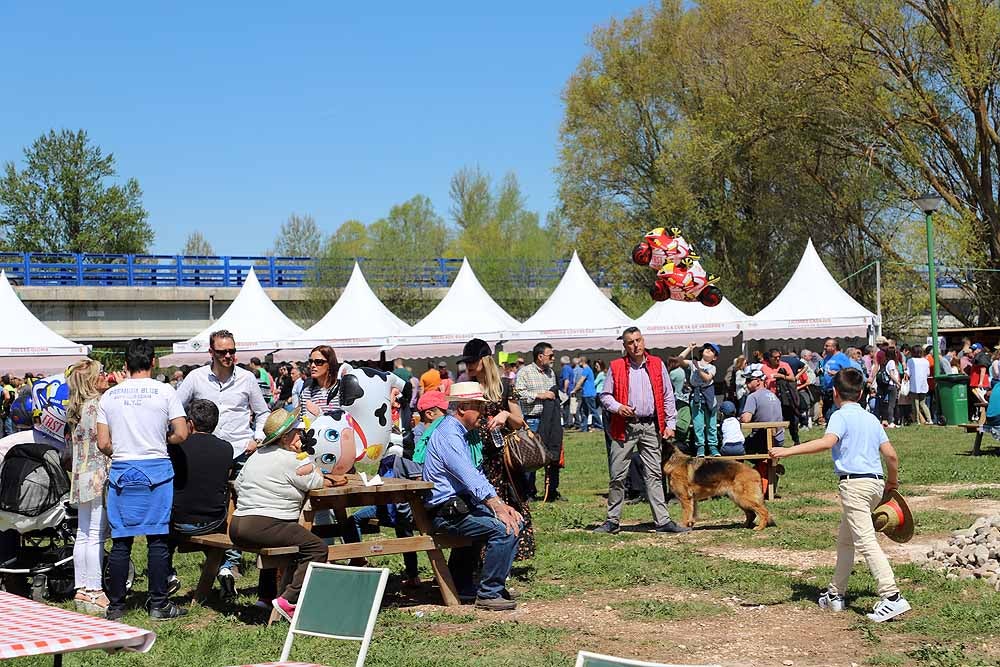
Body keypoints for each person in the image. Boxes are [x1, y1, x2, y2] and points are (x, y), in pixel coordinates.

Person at [771, 368, 911, 622]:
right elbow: (891, 455)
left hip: (854, 486)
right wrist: (892, 483)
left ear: (835, 393)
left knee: (866, 541)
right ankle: (835, 595)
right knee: (846, 541)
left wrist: (787, 451)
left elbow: (827, 443)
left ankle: (892, 597)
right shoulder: (870, 418)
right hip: (875, 485)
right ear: (860, 393)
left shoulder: (839, 416)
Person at [97, 338, 190, 620]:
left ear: (125, 365)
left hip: (123, 470)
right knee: (157, 538)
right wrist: (162, 439)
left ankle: (115, 606)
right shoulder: (165, 392)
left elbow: (103, 443)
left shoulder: (109, 396)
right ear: (153, 362)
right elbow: (182, 433)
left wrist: (125, 447)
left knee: (122, 541)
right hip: (157, 470)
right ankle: (159, 604)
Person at [175, 329, 269, 598]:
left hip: (241, 450)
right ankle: (221, 557)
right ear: (211, 353)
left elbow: (262, 412)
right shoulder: (196, 378)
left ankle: (230, 562)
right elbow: (176, 408)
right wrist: (186, 435)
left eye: (232, 351)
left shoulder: (247, 378)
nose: (229, 356)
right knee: (210, 504)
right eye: (223, 352)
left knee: (241, 506)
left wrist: (257, 437)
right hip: (205, 453)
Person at [421, 382, 524, 611]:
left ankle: (463, 583)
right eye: (478, 406)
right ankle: (489, 592)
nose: (484, 412)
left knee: (515, 520)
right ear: (461, 409)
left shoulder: (459, 432)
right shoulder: (449, 434)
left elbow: (476, 476)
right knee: (504, 530)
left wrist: (500, 505)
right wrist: (497, 508)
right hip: (446, 512)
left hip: (459, 507)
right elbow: (470, 476)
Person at [229, 408, 337, 622]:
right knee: (317, 548)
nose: (301, 435)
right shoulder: (291, 459)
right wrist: (307, 459)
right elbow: (315, 482)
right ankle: (289, 599)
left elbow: (239, 485)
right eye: (297, 431)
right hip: (265, 524)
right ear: (286, 437)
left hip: (238, 525)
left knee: (277, 546)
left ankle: (265, 597)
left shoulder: (256, 456)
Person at [596, 327, 687, 534]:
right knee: (618, 474)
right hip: (623, 426)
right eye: (630, 342)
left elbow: (667, 395)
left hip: (650, 426)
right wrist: (618, 407)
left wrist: (670, 424)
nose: (635, 345)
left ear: (643, 341)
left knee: (654, 474)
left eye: (638, 340)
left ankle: (662, 521)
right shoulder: (616, 366)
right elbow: (605, 396)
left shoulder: (657, 364)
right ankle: (612, 521)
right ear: (625, 345)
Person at [461, 338, 535, 558]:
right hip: (474, 453)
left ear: (485, 360)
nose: (469, 366)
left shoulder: (504, 387)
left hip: (501, 458)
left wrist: (504, 415)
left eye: (473, 360)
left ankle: (509, 551)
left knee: (508, 501)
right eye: (467, 362)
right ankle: (481, 554)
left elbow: (519, 422)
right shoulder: (467, 387)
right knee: (481, 503)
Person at [166, 399, 234, 592]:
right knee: (217, 536)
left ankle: (168, 574)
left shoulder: (176, 448)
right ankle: (226, 569)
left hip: (180, 521)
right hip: (214, 520)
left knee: (160, 536)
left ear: (190, 423)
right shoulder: (226, 448)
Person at [66, 359, 111, 613]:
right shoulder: (99, 405)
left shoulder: (75, 407)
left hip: (80, 472)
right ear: (92, 380)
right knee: (96, 534)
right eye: (100, 373)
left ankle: (81, 588)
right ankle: (94, 590)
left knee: (83, 533)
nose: (104, 376)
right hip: (98, 471)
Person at [515, 342, 560, 501]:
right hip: (532, 420)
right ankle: (529, 492)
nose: (553, 358)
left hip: (550, 420)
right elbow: (519, 393)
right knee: (532, 458)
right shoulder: (525, 372)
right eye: (550, 355)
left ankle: (552, 490)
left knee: (553, 454)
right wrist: (539, 395)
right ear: (540, 357)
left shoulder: (551, 373)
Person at [678, 342, 721, 457]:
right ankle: (700, 447)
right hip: (696, 397)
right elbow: (680, 359)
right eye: (707, 348)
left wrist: (698, 369)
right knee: (698, 424)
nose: (708, 350)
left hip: (709, 397)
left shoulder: (712, 367)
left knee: (711, 424)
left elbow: (707, 378)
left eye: (712, 350)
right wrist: (689, 348)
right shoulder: (694, 363)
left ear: (714, 357)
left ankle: (713, 447)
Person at [763, 348, 800, 445]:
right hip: (771, 398)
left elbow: (793, 378)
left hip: (785, 397)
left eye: (779, 357)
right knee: (773, 421)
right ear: (770, 358)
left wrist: (782, 376)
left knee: (792, 419)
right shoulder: (764, 367)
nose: (778, 359)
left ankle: (796, 440)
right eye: (775, 357)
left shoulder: (785, 365)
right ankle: (773, 441)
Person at [299, 345, 341, 417]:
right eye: (311, 361)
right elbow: (303, 422)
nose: (312, 365)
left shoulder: (342, 390)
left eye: (318, 362)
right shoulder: (306, 393)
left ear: (330, 364)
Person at [820, 338, 852, 422]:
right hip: (827, 388)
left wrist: (837, 373)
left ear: (834, 347)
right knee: (825, 411)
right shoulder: (827, 357)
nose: (824, 347)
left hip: (837, 388)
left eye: (827, 346)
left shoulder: (842, 357)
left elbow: (849, 372)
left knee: (833, 412)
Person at [574, 356, 601, 432]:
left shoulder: (586, 370)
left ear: (582, 362)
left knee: (593, 411)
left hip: (589, 394)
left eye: (579, 362)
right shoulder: (588, 370)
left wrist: (574, 390)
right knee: (583, 411)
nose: (578, 364)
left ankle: (599, 425)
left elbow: (581, 381)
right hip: (586, 393)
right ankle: (584, 427)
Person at [906, 344, 932, 425]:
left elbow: (908, 373)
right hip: (924, 385)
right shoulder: (926, 361)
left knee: (915, 404)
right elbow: (928, 373)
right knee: (923, 403)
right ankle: (929, 419)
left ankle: (917, 421)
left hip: (914, 385)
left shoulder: (910, 361)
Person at [559, 355, 575, 428]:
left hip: (566, 391)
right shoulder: (570, 368)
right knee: (568, 408)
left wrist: (564, 390)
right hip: (570, 389)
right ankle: (569, 422)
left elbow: (566, 380)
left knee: (565, 408)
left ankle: (566, 423)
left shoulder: (565, 368)